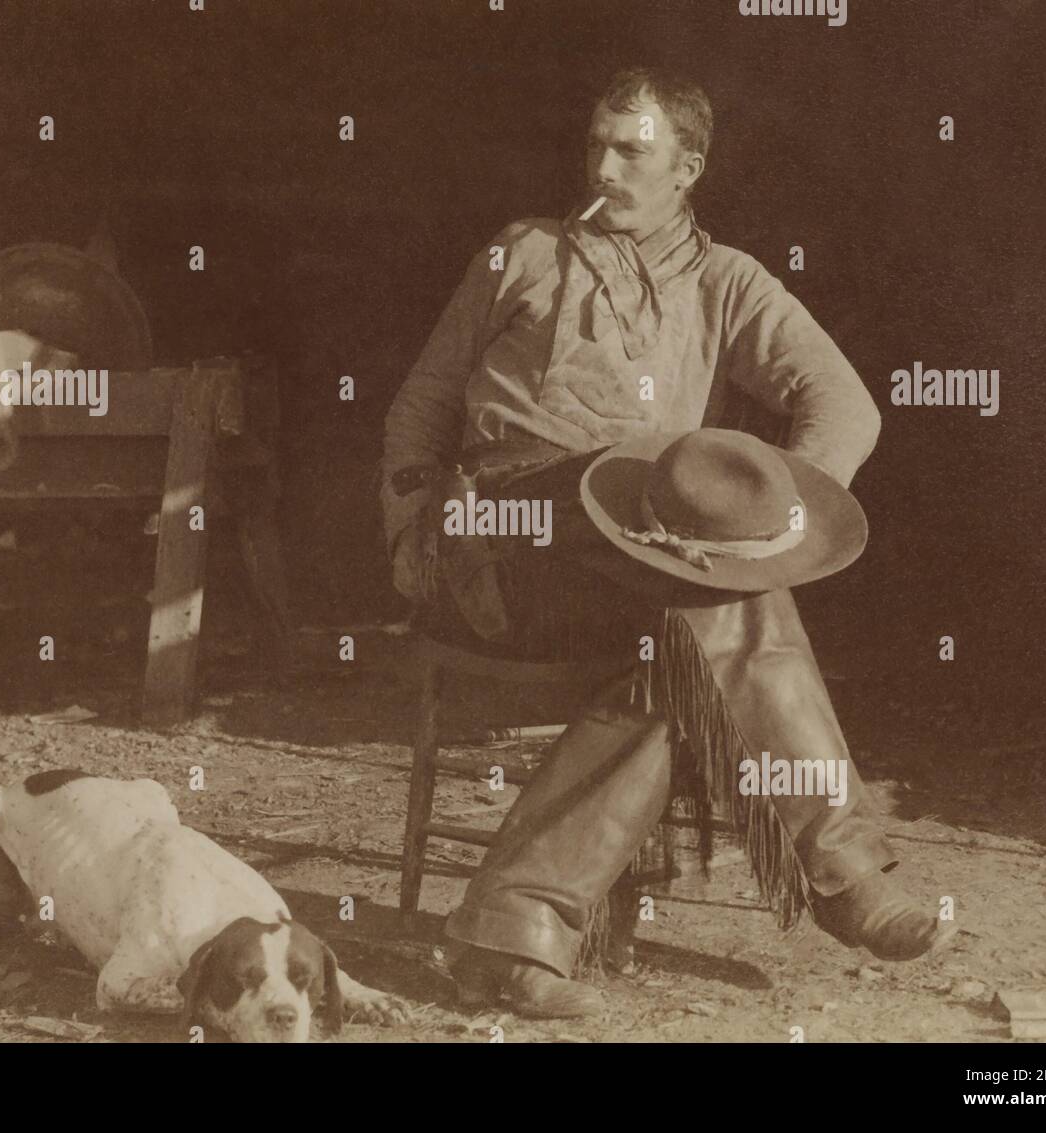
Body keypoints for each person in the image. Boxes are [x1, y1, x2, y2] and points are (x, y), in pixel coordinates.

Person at [380, 66, 956, 1019]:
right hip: (498, 539)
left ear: (688, 167)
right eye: (596, 144)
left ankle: (509, 931)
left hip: (639, 558)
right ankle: (846, 872)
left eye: (632, 151)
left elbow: (844, 403)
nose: (604, 166)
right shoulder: (519, 252)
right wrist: (408, 523)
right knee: (725, 609)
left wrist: (770, 520)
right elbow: (422, 407)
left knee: (686, 656)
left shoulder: (727, 284)